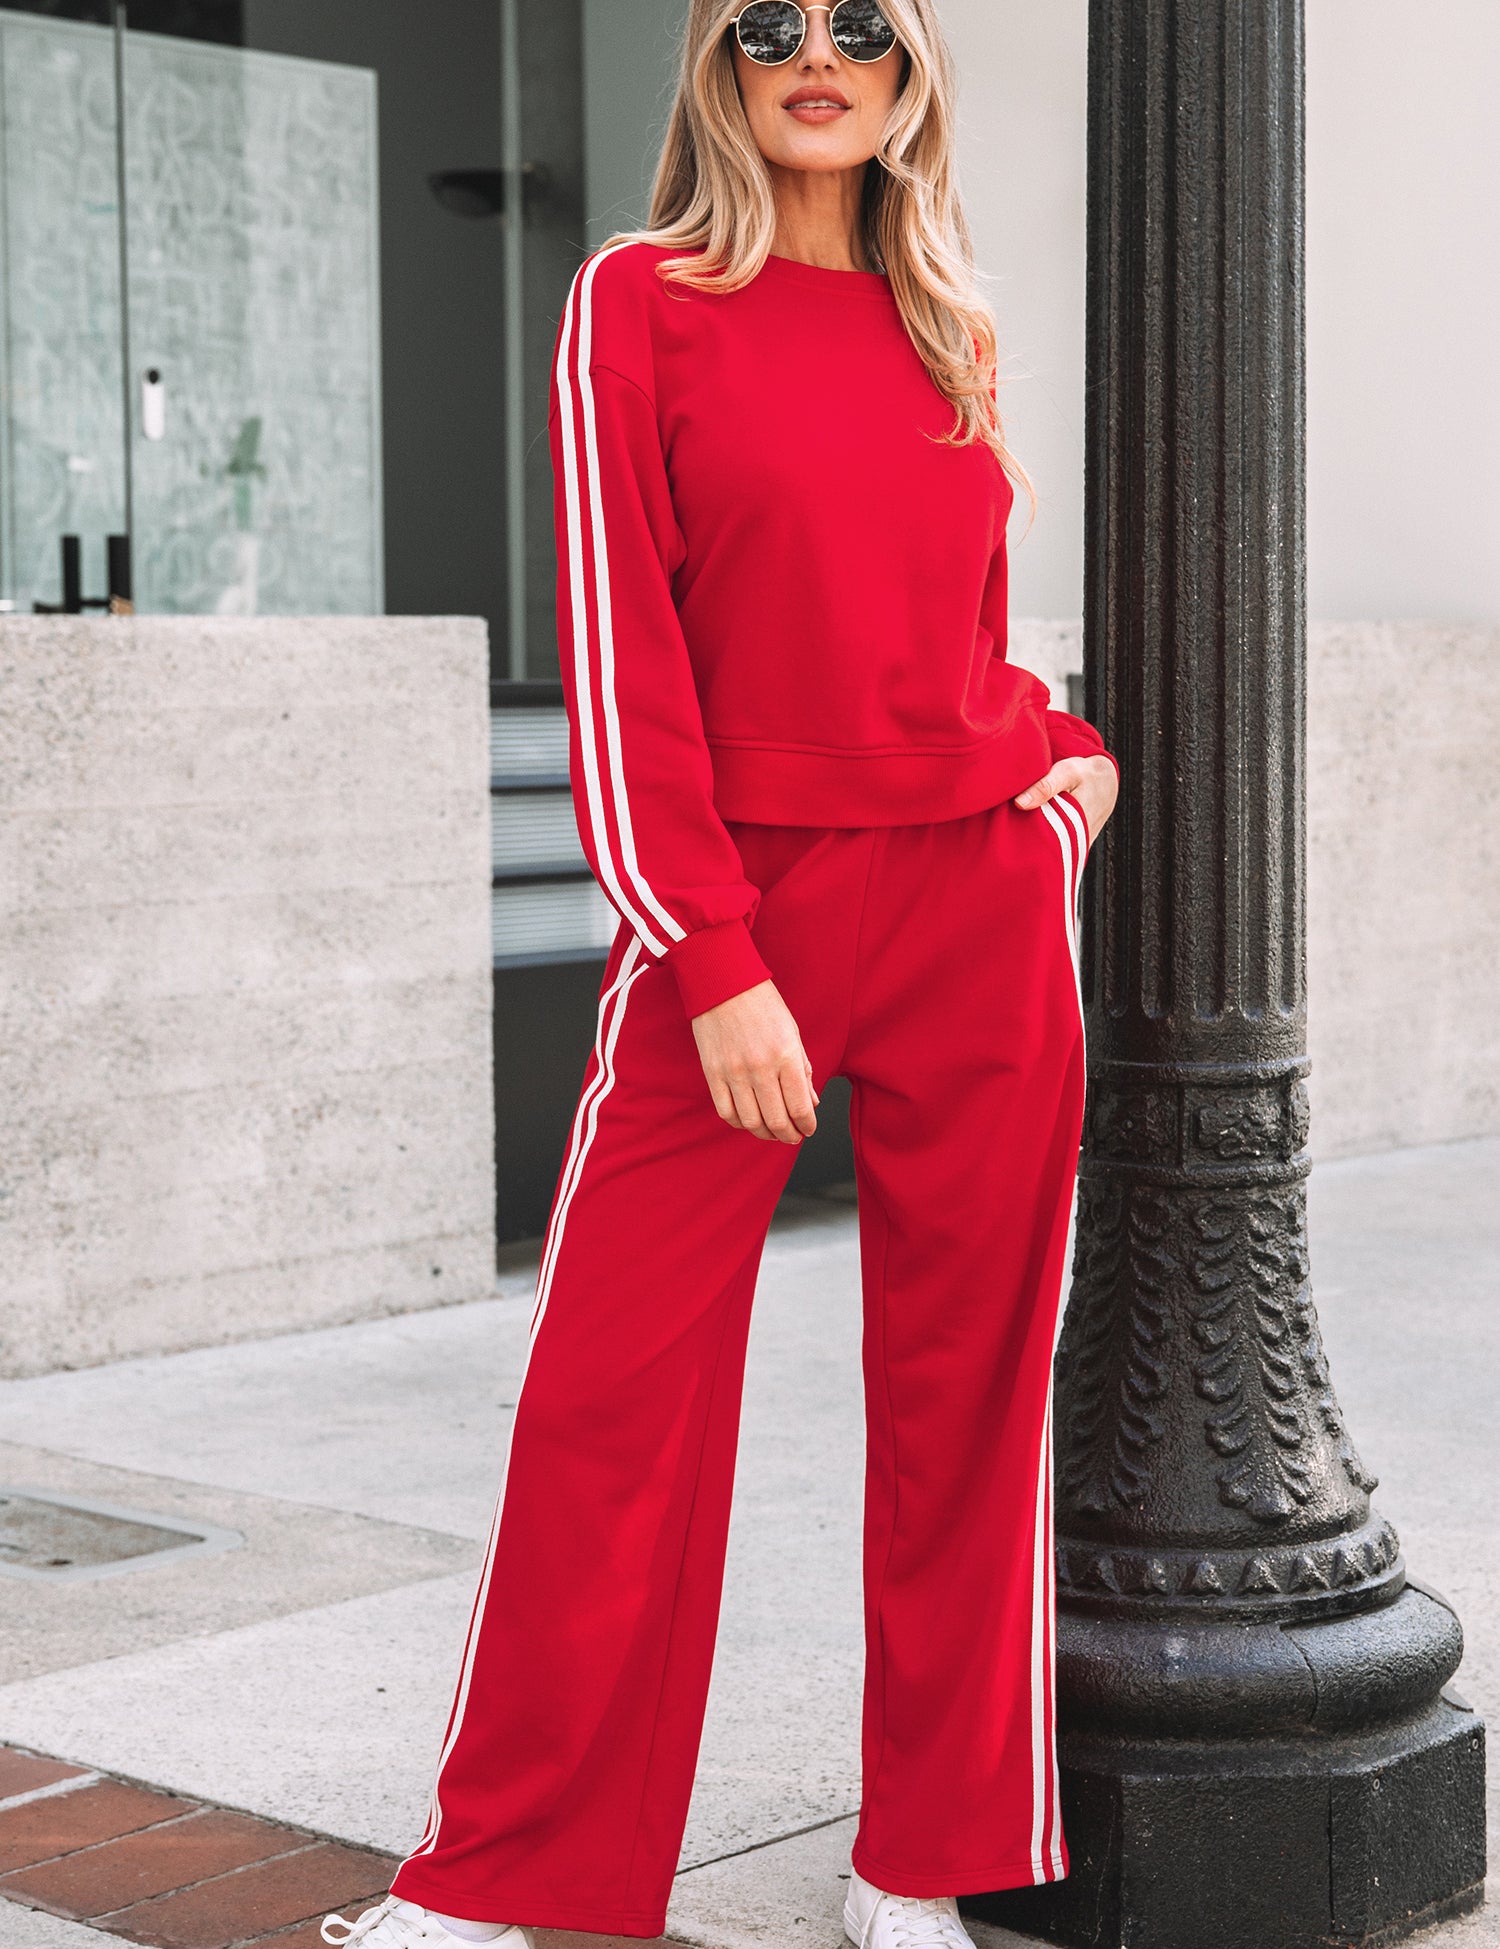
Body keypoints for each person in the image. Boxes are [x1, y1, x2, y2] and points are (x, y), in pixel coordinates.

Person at [321, 2, 1119, 1945]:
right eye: (772, 25)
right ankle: (509, 1875)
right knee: (614, 1397)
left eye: (862, 26)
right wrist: (705, 952)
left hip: (978, 902)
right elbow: (622, 654)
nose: (816, 54)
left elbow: (952, 637)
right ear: (719, 67)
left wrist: (1055, 766)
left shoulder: (957, 323)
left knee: (970, 1402)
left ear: (912, 70)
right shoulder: (640, 301)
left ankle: (916, 1861)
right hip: (739, 914)